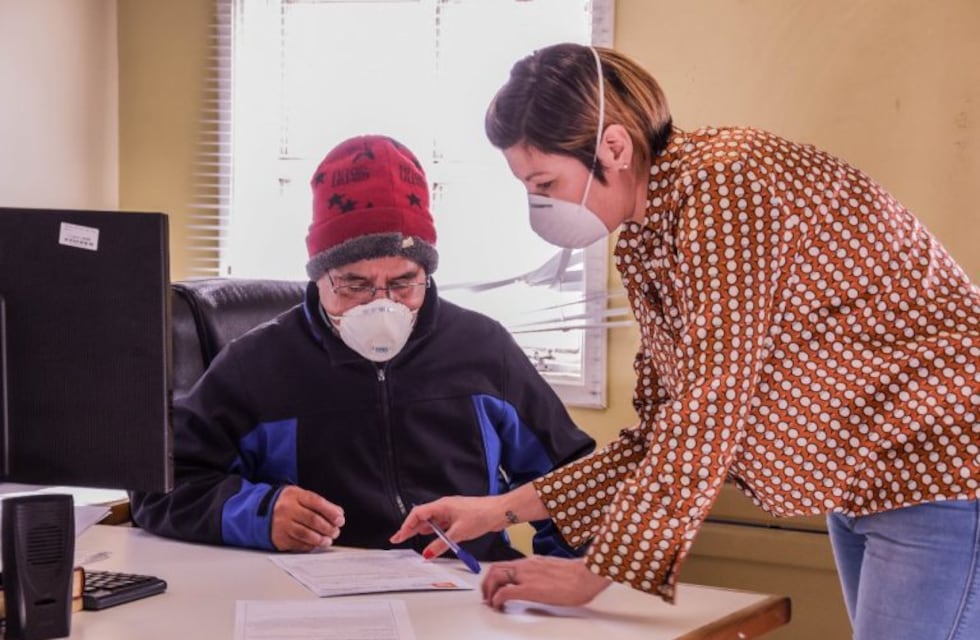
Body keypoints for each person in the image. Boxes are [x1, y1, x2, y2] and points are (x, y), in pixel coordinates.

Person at [391, 43, 980, 640]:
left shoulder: (727, 184)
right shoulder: (649, 237)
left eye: (545, 182)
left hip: (944, 463)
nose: (539, 205)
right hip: (867, 480)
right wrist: (499, 510)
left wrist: (592, 575)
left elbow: (709, 403)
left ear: (613, 148)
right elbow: (659, 431)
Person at [130, 134, 595, 562]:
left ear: (426, 272)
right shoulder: (258, 365)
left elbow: (574, 481)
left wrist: (566, 579)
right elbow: (159, 487)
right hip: (315, 600)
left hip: (466, 595)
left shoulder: (483, 348)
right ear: (318, 275)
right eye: (354, 284)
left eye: (403, 282)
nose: (382, 304)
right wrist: (259, 514)